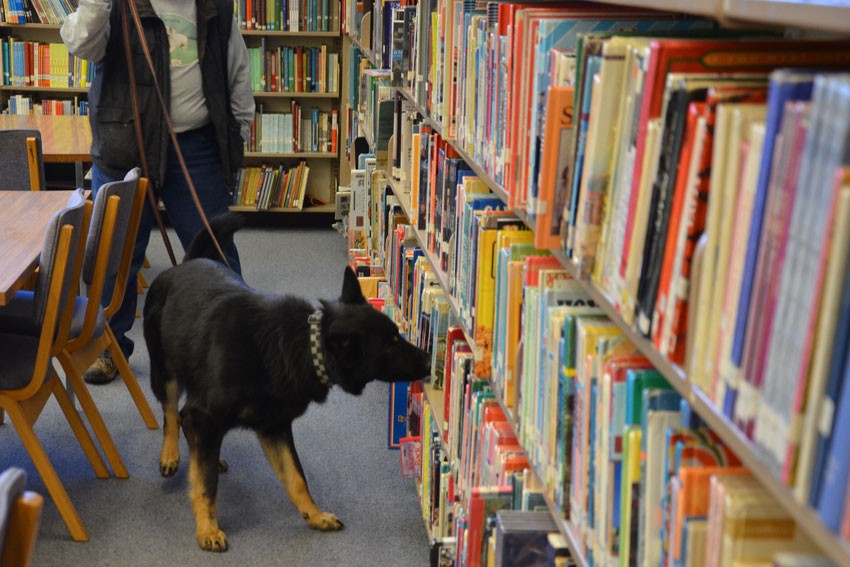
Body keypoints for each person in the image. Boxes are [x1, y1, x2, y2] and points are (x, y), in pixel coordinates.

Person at [61, 0, 255, 384]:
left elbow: (236, 70)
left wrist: (239, 133)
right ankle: (107, 347)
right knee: (113, 257)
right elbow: (82, 44)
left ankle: (238, 345)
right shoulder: (111, 5)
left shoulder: (215, 6)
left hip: (196, 146)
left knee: (216, 250)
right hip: (124, 145)